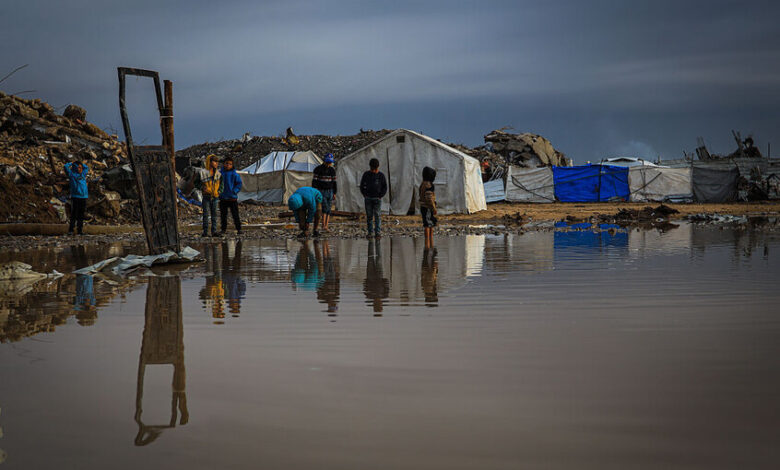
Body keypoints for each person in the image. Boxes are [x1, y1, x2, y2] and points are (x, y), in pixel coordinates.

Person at [359, 158, 387, 239]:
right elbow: (362, 185)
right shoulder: (366, 174)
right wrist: (364, 194)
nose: (374, 171)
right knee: (369, 216)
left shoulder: (381, 176)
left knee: (377, 215)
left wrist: (380, 195)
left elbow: (384, 187)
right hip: (368, 198)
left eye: (375, 169)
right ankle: (370, 232)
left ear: (378, 167)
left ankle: (377, 232)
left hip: (377, 199)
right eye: (372, 169)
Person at [312, 153, 337, 231]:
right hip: (321, 191)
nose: (329, 163)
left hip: (330, 191)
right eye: (328, 162)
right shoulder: (318, 169)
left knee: (329, 209)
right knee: (324, 208)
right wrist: (315, 192)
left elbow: (334, 182)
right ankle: (323, 225)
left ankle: (326, 225)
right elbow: (314, 182)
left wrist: (334, 192)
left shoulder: (332, 170)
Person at [218, 156, 242, 235]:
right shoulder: (220, 174)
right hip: (223, 198)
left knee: (235, 215)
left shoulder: (234, 174)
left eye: (230, 164)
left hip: (232, 198)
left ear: (232, 165)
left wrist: (234, 191)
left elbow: (239, 184)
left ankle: (239, 229)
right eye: (226, 163)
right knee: (223, 216)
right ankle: (223, 229)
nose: (228, 165)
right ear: (224, 164)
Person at [64, 161, 89, 235]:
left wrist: (80, 163)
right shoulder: (71, 175)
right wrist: (72, 163)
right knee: (74, 213)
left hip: (83, 197)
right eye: (78, 167)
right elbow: (65, 167)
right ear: (75, 168)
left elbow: (86, 167)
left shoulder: (83, 174)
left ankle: (80, 230)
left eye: (81, 167)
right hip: (75, 197)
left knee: (81, 214)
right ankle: (71, 230)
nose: (80, 169)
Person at [201, 154, 221, 237]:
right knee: (206, 214)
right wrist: (202, 188)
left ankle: (214, 231)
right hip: (206, 196)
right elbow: (196, 183)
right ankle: (205, 232)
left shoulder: (218, 174)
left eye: (217, 162)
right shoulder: (203, 173)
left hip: (215, 197)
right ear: (209, 162)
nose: (216, 163)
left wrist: (219, 191)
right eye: (214, 161)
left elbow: (221, 184)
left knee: (214, 215)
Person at [419, 166, 437, 247]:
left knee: (428, 223)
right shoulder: (428, 185)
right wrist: (433, 208)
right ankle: (429, 242)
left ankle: (428, 243)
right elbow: (429, 199)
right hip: (428, 207)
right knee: (428, 224)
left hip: (423, 206)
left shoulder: (422, 184)